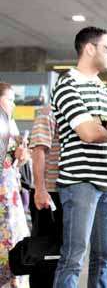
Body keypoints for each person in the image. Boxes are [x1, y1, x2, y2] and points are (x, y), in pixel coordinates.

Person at [51, 26, 107, 288]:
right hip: (79, 182)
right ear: (89, 48)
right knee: (73, 257)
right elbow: (87, 133)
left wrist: (103, 122)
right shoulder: (66, 85)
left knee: (105, 257)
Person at [28, 105, 63, 288]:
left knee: (61, 251)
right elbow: (38, 150)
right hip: (49, 192)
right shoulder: (48, 112)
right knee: (44, 251)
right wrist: (41, 190)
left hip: (67, 192)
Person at [0, 82, 30, 288]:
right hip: (4, 190)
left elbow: (16, 161)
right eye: (9, 99)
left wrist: (21, 156)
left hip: (10, 189)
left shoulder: (10, 122)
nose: (13, 104)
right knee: (7, 234)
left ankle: (14, 279)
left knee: (15, 232)